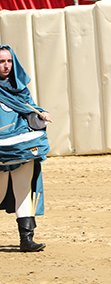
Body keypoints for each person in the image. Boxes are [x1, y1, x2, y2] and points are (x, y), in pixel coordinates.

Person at [0, 47, 52, 252]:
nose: (6, 65)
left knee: (23, 190)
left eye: (9, 61)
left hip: (22, 146)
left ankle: (26, 239)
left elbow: (29, 110)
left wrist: (41, 114)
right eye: (1, 61)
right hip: (2, 150)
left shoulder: (20, 88)